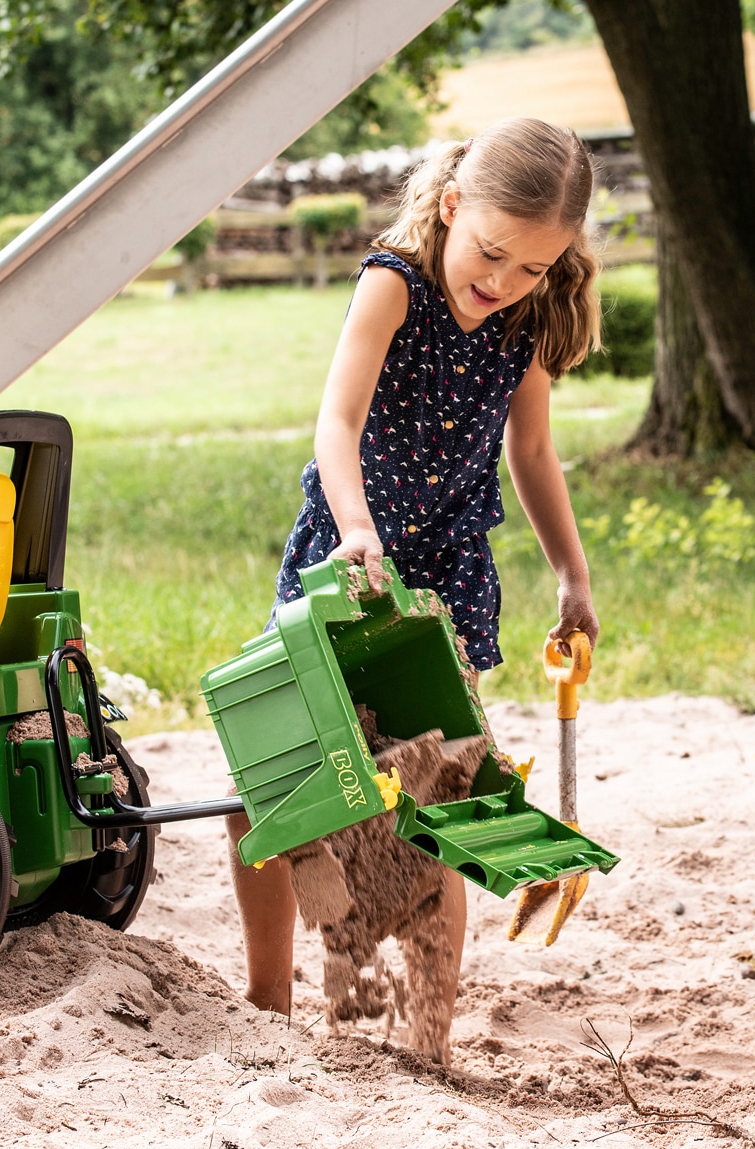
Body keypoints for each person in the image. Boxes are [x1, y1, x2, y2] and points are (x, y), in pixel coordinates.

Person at [225, 117, 603, 1027]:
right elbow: (337, 423)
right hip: (346, 565)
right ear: (450, 206)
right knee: (264, 790)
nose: (503, 282)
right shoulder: (391, 286)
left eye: (532, 269)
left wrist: (572, 575)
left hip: (443, 584)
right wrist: (356, 531)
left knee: (436, 801)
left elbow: (537, 451)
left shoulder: (523, 320)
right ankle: (270, 993)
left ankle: (429, 1031)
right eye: (491, 254)